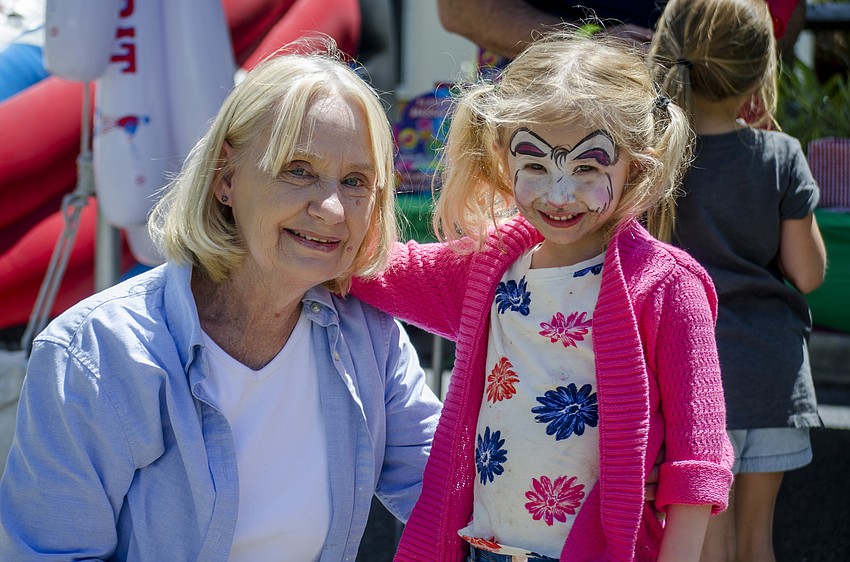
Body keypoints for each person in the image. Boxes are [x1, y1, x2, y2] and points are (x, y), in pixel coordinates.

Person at [0, 44, 442, 561]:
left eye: (355, 182)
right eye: (297, 170)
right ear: (226, 178)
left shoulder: (369, 336)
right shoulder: (95, 354)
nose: (330, 208)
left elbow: (451, 492)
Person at [353, 30, 734, 561]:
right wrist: (308, 243)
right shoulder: (490, 266)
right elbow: (384, 269)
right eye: (535, 165)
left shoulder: (669, 289)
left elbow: (698, 462)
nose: (559, 194)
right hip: (482, 551)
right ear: (501, 156)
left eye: (586, 168)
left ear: (637, 166)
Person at [649, 1, 827, 561]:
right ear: (759, 70)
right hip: (773, 378)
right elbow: (809, 272)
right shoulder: (781, 156)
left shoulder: (654, 160)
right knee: (757, 543)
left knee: (709, 547)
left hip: (692, 383)